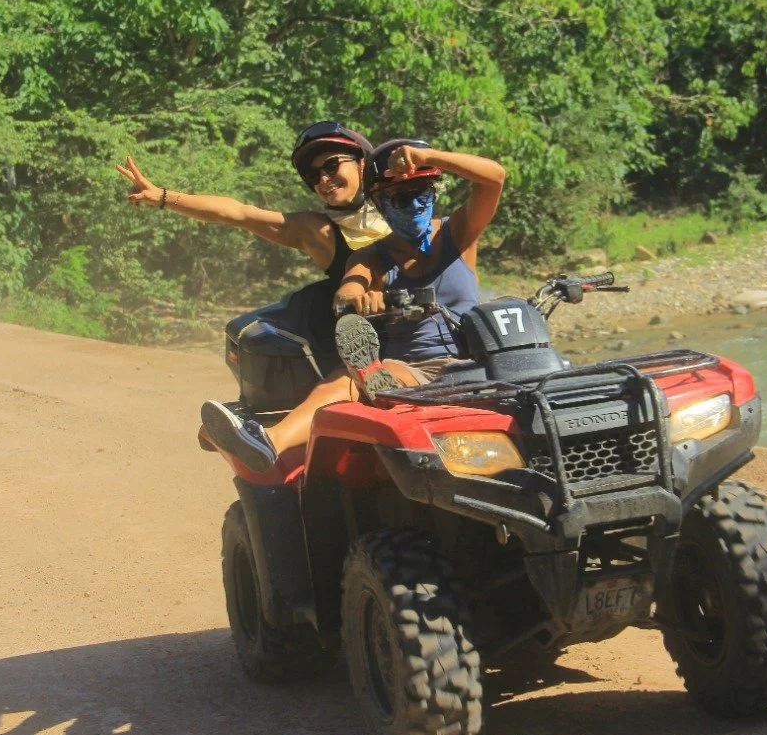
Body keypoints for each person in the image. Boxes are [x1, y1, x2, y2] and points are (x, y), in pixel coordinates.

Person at [199, 138, 506, 472]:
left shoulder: (459, 234)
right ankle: (270, 441)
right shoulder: (373, 257)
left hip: (485, 359)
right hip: (418, 369)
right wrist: (360, 296)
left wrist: (429, 156)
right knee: (349, 381)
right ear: (381, 204)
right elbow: (350, 286)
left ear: (433, 192)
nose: (414, 204)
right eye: (399, 199)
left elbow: (494, 178)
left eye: (422, 192)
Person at [115, 121, 393, 282]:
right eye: (313, 174)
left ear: (362, 164)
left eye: (332, 166)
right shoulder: (316, 230)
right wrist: (162, 196)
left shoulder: (402, 203)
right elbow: (237, 213)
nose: (323, 179)